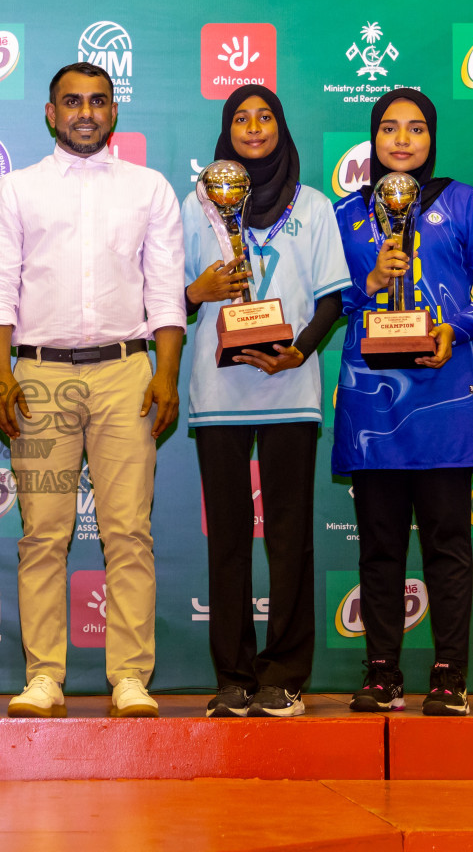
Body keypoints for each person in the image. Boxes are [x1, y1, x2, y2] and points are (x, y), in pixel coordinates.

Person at [0, 63, 183, 719]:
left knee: (128, 532)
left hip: (127, 371)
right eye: (73, 102)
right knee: (43, 534)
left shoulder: (149, 189)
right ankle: (44, 675)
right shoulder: (16, 190)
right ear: (50, 112)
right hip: (37, 375)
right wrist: (1, 373)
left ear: (114, 112)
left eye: (98, 101)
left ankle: (129, 676)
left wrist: (167, 372)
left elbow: (164, 292)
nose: (86, 112)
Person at [332, 87, 473, 717]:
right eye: (389, 128)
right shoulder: (347, 213)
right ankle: (382, 673)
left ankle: (449, 675)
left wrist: (457, 327)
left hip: (445, 396)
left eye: (416, 128)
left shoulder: (464, 202)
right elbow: (330, 302)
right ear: (373, 139)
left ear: (432, 138)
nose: (402, 139)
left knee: (445, 541)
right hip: (373, 400)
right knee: (379, 544)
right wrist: (371, 282)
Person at [183, 84, 349, 719]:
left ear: (281, 127)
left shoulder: (312, 204)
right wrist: (198, 290)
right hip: (219, 391)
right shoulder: (195, 204)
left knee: (289, 538)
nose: (254, 127)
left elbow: (333, 298)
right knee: (226, 537)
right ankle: (232, 676)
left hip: (289, 387)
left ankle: (284, 674)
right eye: (241, 118)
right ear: (227, 132)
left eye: (266, 117)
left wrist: (300, 351)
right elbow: (170, 297)